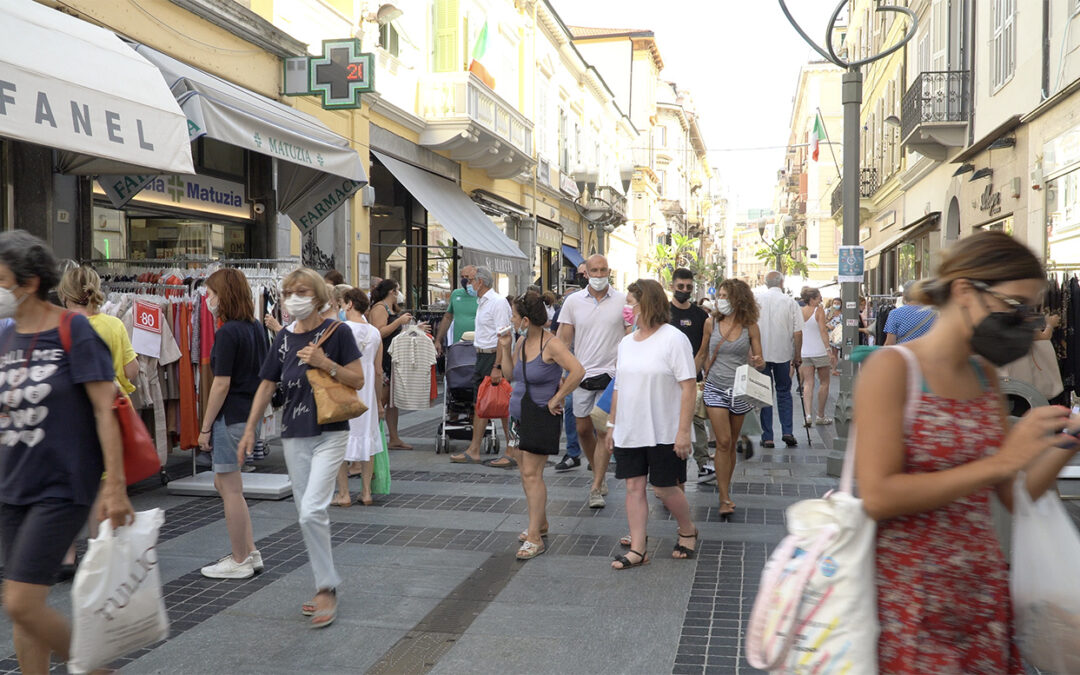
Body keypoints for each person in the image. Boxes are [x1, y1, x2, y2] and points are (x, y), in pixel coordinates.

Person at [854, 231, 1080, 672]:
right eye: (1014, 305)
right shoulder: (892, 368)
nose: (1023, 321)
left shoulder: (984, 376)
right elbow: (878, 496)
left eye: (1030, 309)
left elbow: (1011, 495)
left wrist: (1066, 441)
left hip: (980, 593)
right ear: (964, 292)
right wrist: (1002, 461)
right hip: (909, 598)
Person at [0, 231, 134, 671]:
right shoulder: (5, 337)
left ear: (29, 281)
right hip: (11, 485)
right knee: (27, 604)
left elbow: (103, 409)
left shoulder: (71, 329)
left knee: (20, 601)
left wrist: (115, 487)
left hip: (61, 486)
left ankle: (95, 669)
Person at [237, 268, 364, 629]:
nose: (294, 297)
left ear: (319, 295)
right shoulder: (283, 338)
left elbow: (359, 379)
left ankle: (326, 586)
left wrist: (326, 364)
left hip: (330, 431)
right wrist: (250, 430)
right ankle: (325, 584)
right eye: (288, 291)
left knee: (311, 510)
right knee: (308, 513)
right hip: (295, 433)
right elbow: (266, 385)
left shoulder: (338, 333)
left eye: (302, 290)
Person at [605, 279, 698, 569]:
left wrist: (683, 432)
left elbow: (689, 386)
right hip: (630, 428)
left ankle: (687, 529)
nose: (627, 308)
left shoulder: (673, 338)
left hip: (664, 429)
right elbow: (619, 386)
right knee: (633, 486)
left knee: (664, 488)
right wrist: (612, 426)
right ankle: (638, 548)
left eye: (631, 302)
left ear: (648, 303)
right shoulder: (626, 343)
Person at [56, 265, 140, 577]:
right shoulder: (114, 324)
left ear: (65, 295)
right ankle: (98, 549)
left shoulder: (60, 326)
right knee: (103, 486)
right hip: (109, 413)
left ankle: (66, 557)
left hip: (71, 417)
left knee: (70, 487)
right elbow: (132, 372)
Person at [496, 291, 583, 559]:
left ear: (524, 319)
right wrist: (504, 346)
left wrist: (557, 397)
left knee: (532, 474)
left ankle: (535, 537)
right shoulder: (521, 340)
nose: (510, 319)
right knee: (525, 472)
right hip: (518, 414)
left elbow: (578, 371)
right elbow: (511, 375)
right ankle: (540, 523)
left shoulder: (551, 344)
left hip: (540, 414)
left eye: (513, 315)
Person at [196, 268, 267, 579]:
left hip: (231, 415)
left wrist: (205, 427)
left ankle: (240, 558)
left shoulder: (227, 332)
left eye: (211, 293)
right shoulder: (255, 327)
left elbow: (220, 384)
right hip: (249, 414)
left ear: (223, 295)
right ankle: (248, 551)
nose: (207, 299)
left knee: (229, 487)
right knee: (228, 485)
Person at [557, 255, 627, 508]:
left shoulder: (622, 300)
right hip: (581, 375)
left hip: (611, 376)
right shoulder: (573, 301)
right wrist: (563, 371)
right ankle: (597, 466)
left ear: (609, 271)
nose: (599, 275)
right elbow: (564, 340)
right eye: (594, 271)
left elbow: (631, 333)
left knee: (601, 430)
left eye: (603, 270)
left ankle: (596, 485)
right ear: (586, 273)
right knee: (582, 429)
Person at [696, 279, 764, 516]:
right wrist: (686, 379)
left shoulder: (750, 326)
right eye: (720, 295)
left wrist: (758, 361)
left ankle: (726, 489)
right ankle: (723, 497)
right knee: (723, 441)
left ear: (739, 299)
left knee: (732, 443)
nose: (721, 300)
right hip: (715, 386)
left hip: (740, 389)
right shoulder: (711, 322)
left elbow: (760, 358)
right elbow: (703, 352)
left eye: (726, 296)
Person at [449, 267, 514, 465]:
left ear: (480, 282)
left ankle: (512, 450)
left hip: (493, 357)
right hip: (481, 355)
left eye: (468, 279)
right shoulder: (482, 302)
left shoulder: (497, 302)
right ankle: (474, 449)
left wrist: (498, 366)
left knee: (503, 406)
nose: (466, 284)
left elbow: (504, 336)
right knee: (481, 404)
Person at [332, 287, 384, 507]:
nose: (342, 308)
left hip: (345, 389)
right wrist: (379, 400)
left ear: (350, 304)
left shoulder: (340, 329)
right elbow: (379, 370)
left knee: (340, 440)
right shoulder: (375, 332)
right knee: (368, 438)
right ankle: (366, 492)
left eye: (343, 304)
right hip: (367, 393)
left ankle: (343, 493)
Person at [668, 268, 713, 481]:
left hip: (693, 376)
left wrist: (695, 376)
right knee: (669, 420)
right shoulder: (663, 313)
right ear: (672, 286)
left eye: (688, 287)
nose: (684, 291)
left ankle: (703, 463)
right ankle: (670, 469)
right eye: (680, 287)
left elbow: (704, 350)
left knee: (696, 421)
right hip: (667, 378)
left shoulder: (701, 315)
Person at [754, 271, 802, 449]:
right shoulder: (790, 302)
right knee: (784, 392)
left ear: (766, 283)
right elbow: (797, 333)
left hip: (761, 355)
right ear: (782, 282)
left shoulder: (757, 301)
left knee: (764, 394)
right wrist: (797, 355)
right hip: (783, 354)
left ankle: (768, 436)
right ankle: (787, 431)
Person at [369, 279, 419, 450]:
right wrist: (399, 322)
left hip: (392, 358)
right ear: (392, 291)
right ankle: (372, 437)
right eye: (398, 289)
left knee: (392, 401)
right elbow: (379, 332)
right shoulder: (380, 308)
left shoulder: (390, 308)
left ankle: (394, 437)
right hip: (383, 358)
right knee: (381, 399)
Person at [798, 287, 837, 427]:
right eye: (819, 297)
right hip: (820, 351)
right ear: (813, 298)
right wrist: (829, 350)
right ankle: (820, 415)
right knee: (824, 383)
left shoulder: (800, 311)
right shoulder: (818, 310)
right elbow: (823, 331)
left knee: (808, 383)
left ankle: (808, 415)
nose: (821, 299)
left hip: (805, 352)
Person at [435, 265, 478, 357]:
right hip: (459, 344)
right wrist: (438, 340)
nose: (464, 280)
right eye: (462, 277)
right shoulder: (456, 294)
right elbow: (447, 317)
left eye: (467, 277)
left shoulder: (482, 296)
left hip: (479, 345)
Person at [826, 297, 843, 375]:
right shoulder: (830, 311)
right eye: (835, 303)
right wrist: (829, 325)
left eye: (838, 303)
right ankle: (833, 369)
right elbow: (824, 321)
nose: (836, 305)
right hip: (831, 334)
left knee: (836, 351)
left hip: (839, 334)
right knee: (833, 352)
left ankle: (833, 368)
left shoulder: (842, 312)